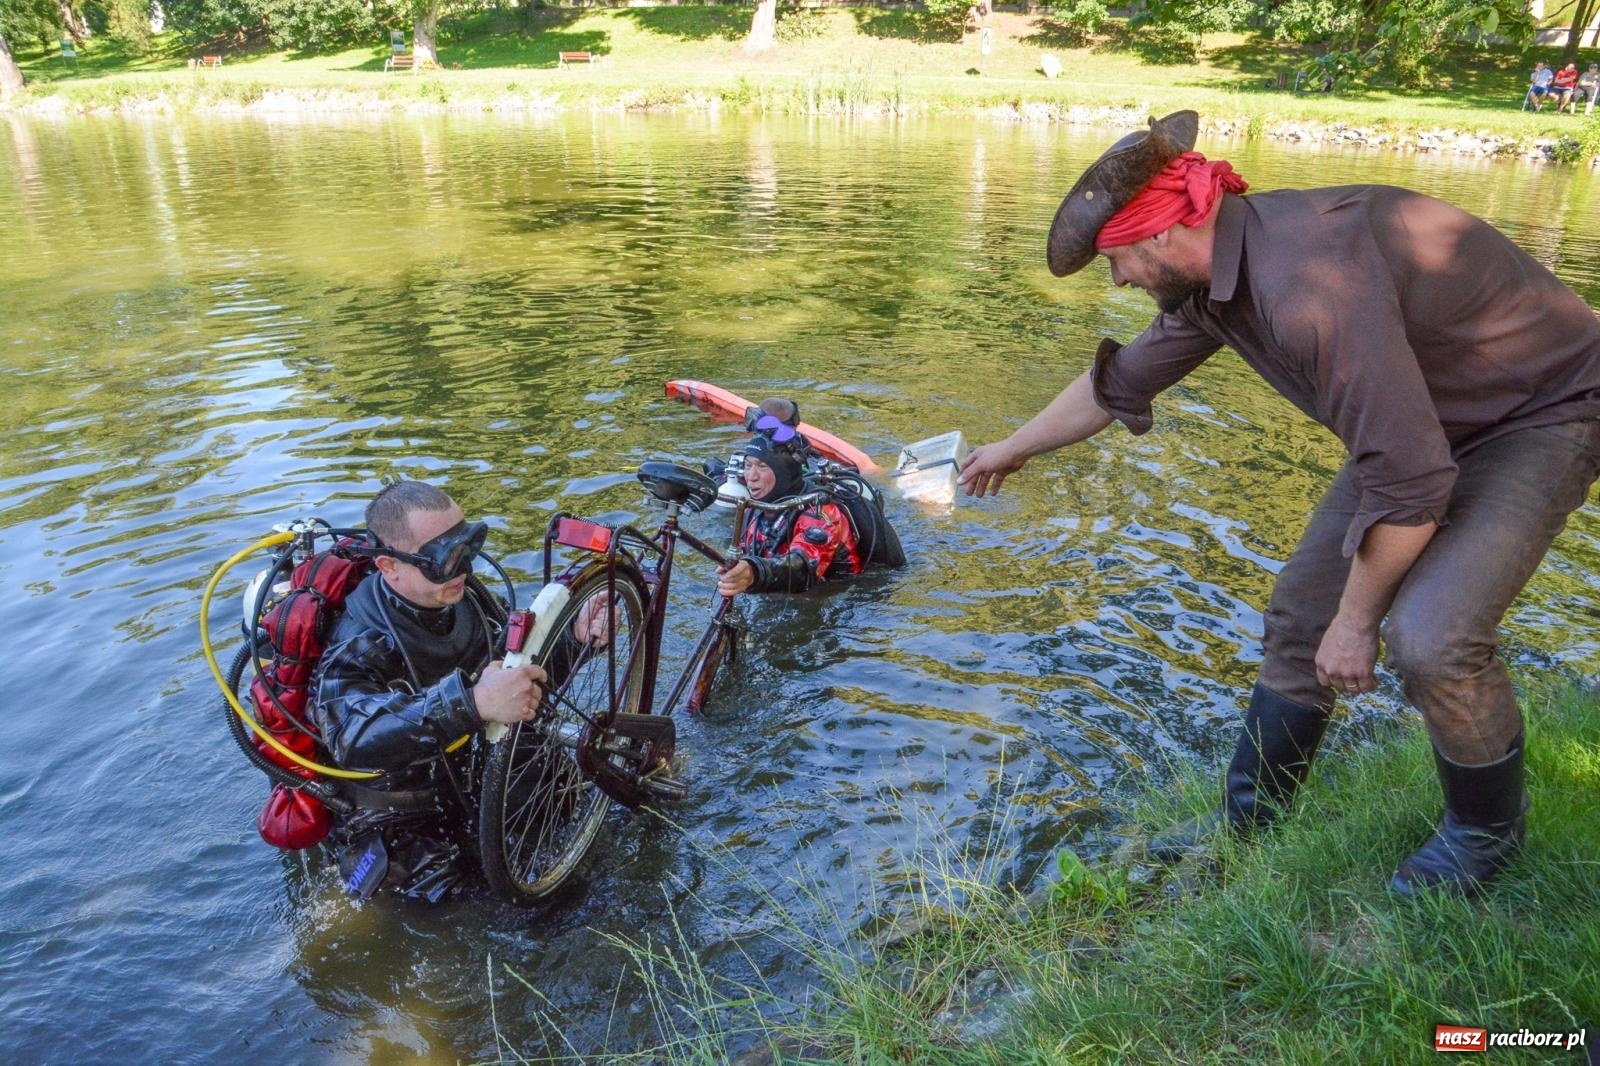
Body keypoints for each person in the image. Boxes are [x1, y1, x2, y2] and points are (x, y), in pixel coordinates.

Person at [958, 110, 1600, 898]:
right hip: (1424, 423)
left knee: (1431, 637)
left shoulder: (1307, 285)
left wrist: (1357, 623)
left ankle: (1484, 837)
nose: (1117, 281)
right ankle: (1247, 826)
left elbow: (1409, 482)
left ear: (1160, 236)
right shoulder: (1217, 276)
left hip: (1542, 412)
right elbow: (1120, 380)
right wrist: (1010, 449)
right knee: (1300, 617)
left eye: (1115, 260)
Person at [310, 480, 551, 901]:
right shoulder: (359, 640)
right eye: (442, 559)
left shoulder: (465, 599)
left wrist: (581, 638)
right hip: (399, 817)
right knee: (458, 914)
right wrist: (474, 703)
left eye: (468, 548)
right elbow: (353, 736)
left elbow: (519, 678)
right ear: (389, 567)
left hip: (469, 780)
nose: (462, 569)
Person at [716, 433, 875, 597]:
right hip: (775, 587)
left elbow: (803, 567)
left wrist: (752, 573)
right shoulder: (754, 507)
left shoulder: (820, 513)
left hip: (836, 597)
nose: (751, 477)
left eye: (762, 466)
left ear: (783, 472)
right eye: (748, 466)